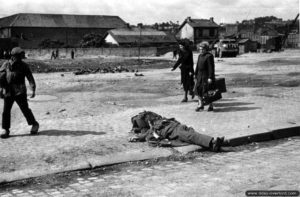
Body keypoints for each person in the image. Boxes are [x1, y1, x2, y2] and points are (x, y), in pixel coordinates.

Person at [129, 111, 226, 152]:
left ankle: (213, 143)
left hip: (176, 126)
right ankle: (212, 142)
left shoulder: (156, 120)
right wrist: (137, 137)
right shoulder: (151, 129)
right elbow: (145, 135)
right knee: (190, 136)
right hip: (173, 131)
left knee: (191, 134)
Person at [0, 47, 39, 139]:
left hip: (20, 91)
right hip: (8, 91)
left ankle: (34, 124)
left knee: (25, 109)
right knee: (6, 111)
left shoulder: (24, 65)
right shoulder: (6, 65)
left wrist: (33, 89)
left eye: (21, 56)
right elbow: (1, 77)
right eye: (19, 56)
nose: (21, 58)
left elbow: (30, 77)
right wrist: (2, 88)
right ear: (13, 56)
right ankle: (5, 129)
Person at [194, 42, 215, 112]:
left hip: (206, 76)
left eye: (203, 49)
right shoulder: (200, 56)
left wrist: (210, 77)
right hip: (200, 75)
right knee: (198, 90)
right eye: (200, 49)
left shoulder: (209, 56)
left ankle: (211, 105)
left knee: (207, 91)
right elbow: (197, 66)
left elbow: (211, 68)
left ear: (206, 49)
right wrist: (195, 74)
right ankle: (201, 105)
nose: (201, 50)